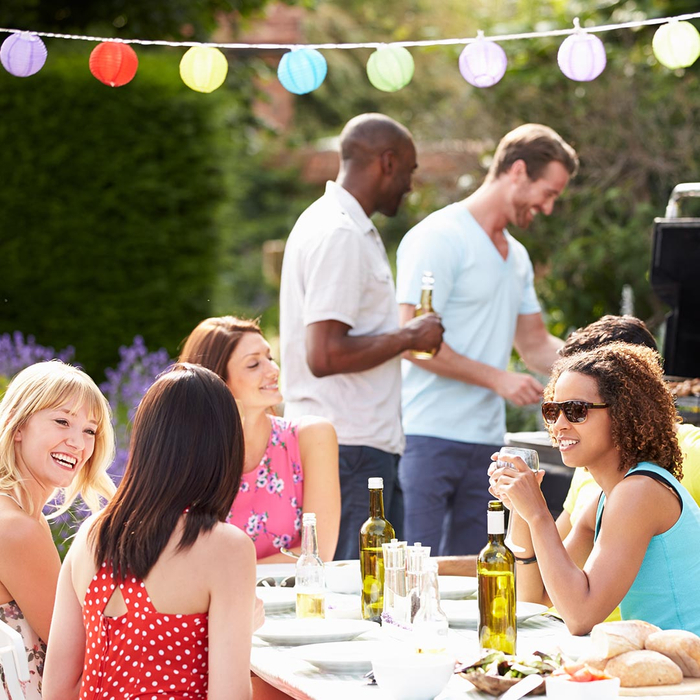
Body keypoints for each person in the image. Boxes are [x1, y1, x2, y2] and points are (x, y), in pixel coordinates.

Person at [396, 123, 578, 555]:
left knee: (473, 575)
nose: (548, 208)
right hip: (426, 437)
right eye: (548, 193)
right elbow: (411, 341)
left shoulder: (516, 256)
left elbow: (534, 344)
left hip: (488, 446)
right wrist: (498, 379)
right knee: (417, 575)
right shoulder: (438, 237)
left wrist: (598, 362)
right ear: (517, 171)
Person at [279, 113, 444, 560]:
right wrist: (409, 335)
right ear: (387, 162)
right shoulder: (341, 234)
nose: (410, 185)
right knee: (358, 595)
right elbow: (325, 353)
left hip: (351, 444)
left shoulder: (338, 225)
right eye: (409, 171)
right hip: (349, 447)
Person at [43, 363, 261, 700]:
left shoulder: (90, 534)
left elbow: (56, 692)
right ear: (224, 447)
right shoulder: (226, 547)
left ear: (145, 442)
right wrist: (242, 626)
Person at [490, 342, 700, 635]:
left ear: (624, 415)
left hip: (687, 671)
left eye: (576, 410)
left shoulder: (639, 491)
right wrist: (520, 510)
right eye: (553, 411)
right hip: (663, 664)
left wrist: (539, 512)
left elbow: (580, 616)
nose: (559, 425)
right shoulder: (607, 498)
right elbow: (535, 599)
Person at [179, 316, 340, 563]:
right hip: (212, 601)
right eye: (254, 364)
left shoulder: (312, 437)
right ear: (216, 382)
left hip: (294, 598)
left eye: (270, 358)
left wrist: (228, 576)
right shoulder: (186, 456)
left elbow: (317, 554)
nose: (273, 370)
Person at [0, 361, 115, 700]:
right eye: (62, 421)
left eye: (90, 431)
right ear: (17, 426)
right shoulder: (17, 529)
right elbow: (79, 652)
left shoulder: (23, 517)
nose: (78, 443)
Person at [555, 314, 700, 541]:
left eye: (578, 406)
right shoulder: (589, 459)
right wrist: (525, 510)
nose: (560, 424)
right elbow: (550, 563)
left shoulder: (694, 452)